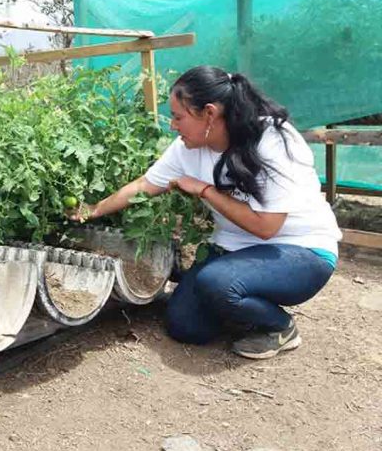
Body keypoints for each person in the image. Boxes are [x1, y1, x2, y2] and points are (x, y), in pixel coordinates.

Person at [69, 65, 341, 359]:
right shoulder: (186, 148)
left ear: (209, 113)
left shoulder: (271, 139)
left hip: (301, 251)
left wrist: (204, 189)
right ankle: (239, 307)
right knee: (185, 326)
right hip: (234, 252)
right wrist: (92, 211)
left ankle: (279, 326)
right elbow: (145, 184)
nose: (172, 125)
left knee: (217, 283)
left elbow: (267, 227)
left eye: (178, 116)